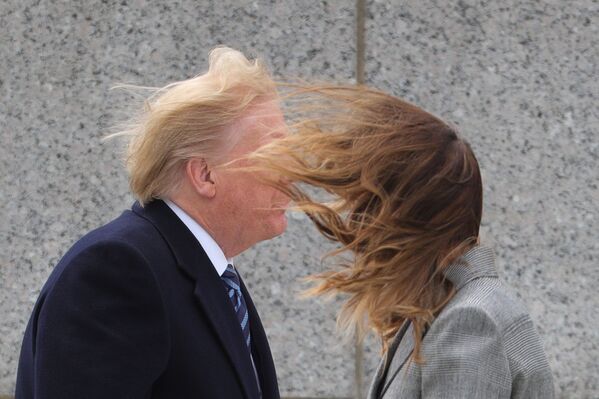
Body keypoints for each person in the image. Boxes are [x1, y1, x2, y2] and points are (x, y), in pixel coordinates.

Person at [16, 47, 288, 399]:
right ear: (204, 175)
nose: (295, 174)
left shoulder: (211, 275)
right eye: (276, 155)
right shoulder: (116, 272)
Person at [250, 85, 555, 398]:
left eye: (369, 204)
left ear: (406, 214)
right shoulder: (447, 306)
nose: (358, 222)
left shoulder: (469, 318)